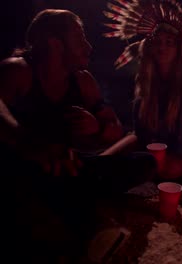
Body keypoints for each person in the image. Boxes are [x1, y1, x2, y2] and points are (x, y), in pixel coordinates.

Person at [2, 9, 153, 263]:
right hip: (21, 168)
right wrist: (30, 144)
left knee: (144, 163)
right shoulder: (18, 70)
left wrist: (97, 128)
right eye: (80, 37)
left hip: (69, 168)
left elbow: (114, 128)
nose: (88, 47)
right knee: (27, 178)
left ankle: (70, 202)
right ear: (55, 43)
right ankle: (85, 223)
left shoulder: (83, 81)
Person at [103, 0, 182, 187]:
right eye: (158, 42)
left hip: (175, 153)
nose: (162, 48)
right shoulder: (146, 78)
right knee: (107, 158)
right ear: (150, 46)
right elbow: (139, 130)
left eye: (169, 43)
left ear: (178, 48)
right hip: (147, 145)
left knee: (172, 169)